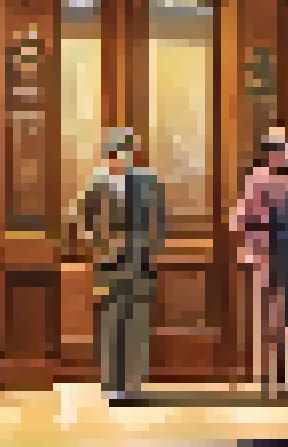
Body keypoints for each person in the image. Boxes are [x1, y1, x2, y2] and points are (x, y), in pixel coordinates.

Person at [80, 127, 165, 403]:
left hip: (139, 263)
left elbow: (159, 221)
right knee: (111, 324)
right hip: (108, 266)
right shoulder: (96, 184)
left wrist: (151, 253)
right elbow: (83, 222)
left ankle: (133, 384)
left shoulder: (148, 182)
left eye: (124, 153)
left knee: (137, 325)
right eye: (114, 154)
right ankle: (112, 383)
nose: (119, 160)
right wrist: (97, 247)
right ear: (106, 156)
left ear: (131, 155)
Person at [234, 129, 288, 399]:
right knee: (266, 320)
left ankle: (286, 378)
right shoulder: (256, 180)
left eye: (285, 150)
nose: (281, 155)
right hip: (265, 257)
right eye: (276, 150)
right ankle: (265, 377)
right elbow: (240, 220)